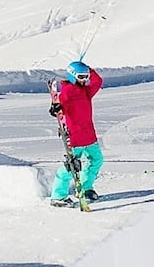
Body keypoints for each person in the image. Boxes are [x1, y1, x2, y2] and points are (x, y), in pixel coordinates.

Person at [49, 61, 104, 207]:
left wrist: (87, 68)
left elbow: (98, 81)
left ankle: (86, 188)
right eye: (81, 76)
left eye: (86, 76)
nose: (85, 79)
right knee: (71, 167)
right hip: (75, 137)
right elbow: (59, 108)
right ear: (73, 76)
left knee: (97, 160)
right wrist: (56, 108)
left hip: (89, 135)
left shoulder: (86, 91)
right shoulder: (66, 92)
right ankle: (58, 196)